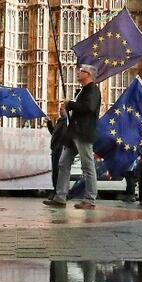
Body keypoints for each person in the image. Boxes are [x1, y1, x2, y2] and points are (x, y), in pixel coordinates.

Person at [45, 64, 101, 210]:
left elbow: (89, 107)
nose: (78, 73)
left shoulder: (93, 90)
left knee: (87, 166)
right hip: (73, 133)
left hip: (83, 133)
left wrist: (71, 104)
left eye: (81, 71)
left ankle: (90, 199)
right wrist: (69, 107)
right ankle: (60, 197)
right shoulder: (83, 91)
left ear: (88, 74)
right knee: (63, 163)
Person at [47, 112, 68, 190]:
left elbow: (62, 136)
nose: (60, 111)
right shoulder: (60, 121)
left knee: (57, 171)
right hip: (55, 149)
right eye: (60, 109)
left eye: (62, 109)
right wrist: (49, 123)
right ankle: (56, 189)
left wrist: (60, 147)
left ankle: (58, 190)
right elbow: (54, 133)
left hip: (59, 149)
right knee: (55, 171)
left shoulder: (66, 122)